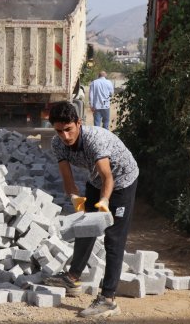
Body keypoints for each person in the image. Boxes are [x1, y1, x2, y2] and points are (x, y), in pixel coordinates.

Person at [43, 101, 138, 318]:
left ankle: (107, 299)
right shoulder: (58, 144)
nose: (65, 136)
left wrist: (104, 202)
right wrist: (76, 201)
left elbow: (109, 177)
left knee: (113, 238)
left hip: (122, 179)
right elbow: (68, 179)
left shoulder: (95, 139)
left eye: (69, 129)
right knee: (84, 227)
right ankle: (73, 277)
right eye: (59, 131)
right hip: (95, 181)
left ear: (78, 123)